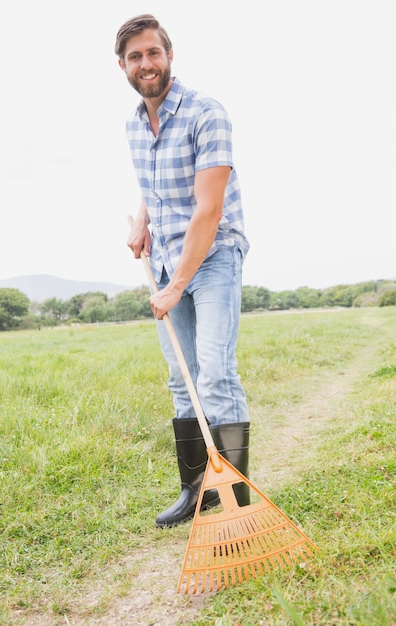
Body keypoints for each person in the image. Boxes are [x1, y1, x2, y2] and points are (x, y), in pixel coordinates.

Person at [115, 14, 251, 528]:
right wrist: (144, 222)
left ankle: (237, 500)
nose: (145, 64)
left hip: (214, 254)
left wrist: (175, 287)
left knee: (214, 375)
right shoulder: (133, 123)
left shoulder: (206, 113)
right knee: (182, 379)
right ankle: (197, 492)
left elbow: (207, 211)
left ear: (169, 56)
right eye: (135, 57)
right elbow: (154, 185)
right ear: (123, 65)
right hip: (168, 255)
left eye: (153, 53)